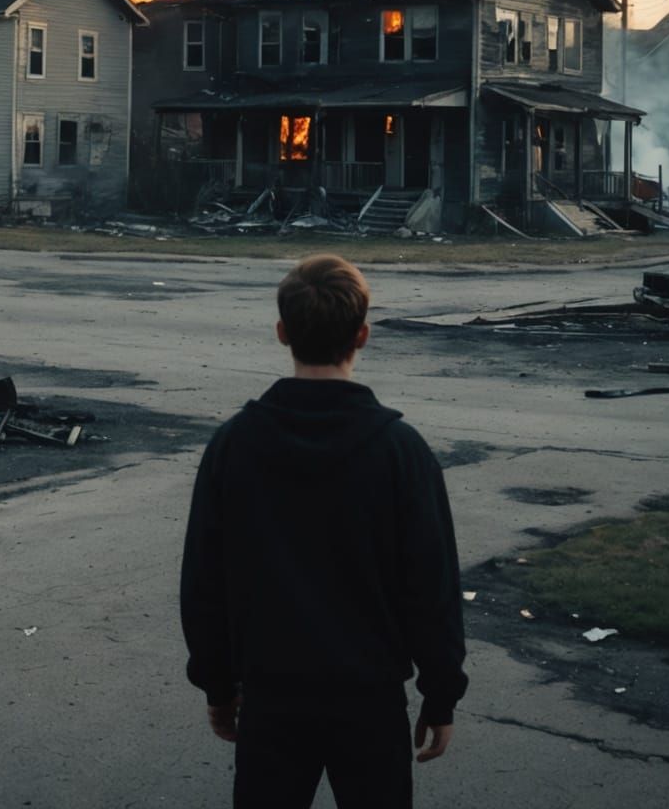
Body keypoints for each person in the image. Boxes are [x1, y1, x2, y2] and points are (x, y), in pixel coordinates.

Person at [180, 253, 467, 808]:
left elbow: (203, 582)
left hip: (272, 696)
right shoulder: (400, 452)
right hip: (371, 701)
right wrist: (440, 694)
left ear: (282, 332)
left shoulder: (234, 446)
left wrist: (217, 684)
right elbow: (432, 588)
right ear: (362, 335)